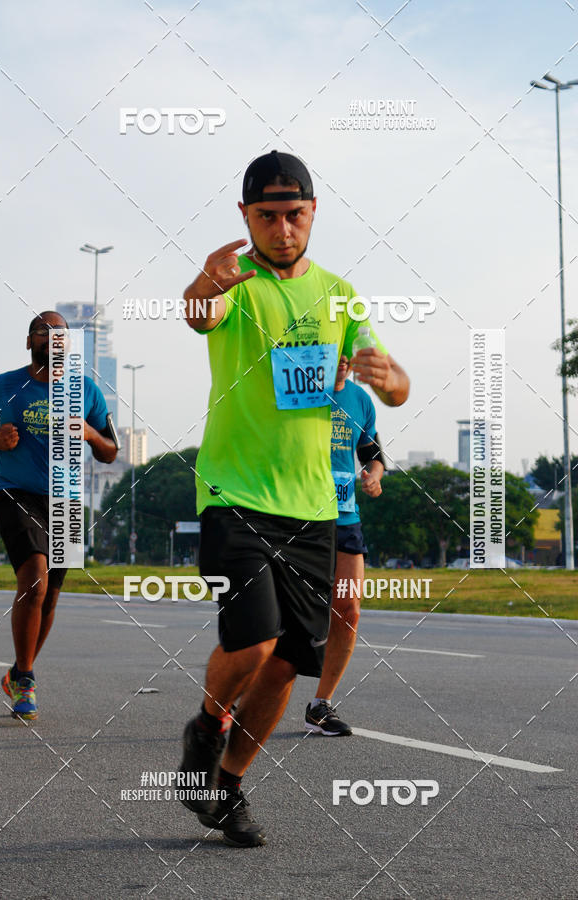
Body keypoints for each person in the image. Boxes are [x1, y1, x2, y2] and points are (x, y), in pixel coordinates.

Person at [179, 150, 410, 847]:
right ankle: (209, 724)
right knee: (253, 640)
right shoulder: (237, 283)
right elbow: (197, 313)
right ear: (246, 217)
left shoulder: (341, 294)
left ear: (313, 214)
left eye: (294, 214)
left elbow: (395, 386)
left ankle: (229, 786)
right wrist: (206, 280)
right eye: (268, 216)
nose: (282, 229)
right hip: (234, 492)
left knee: (288, 663)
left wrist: (388, 375)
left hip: (314, 505)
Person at [0, 311, 118, 720]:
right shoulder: (4, 385)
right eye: (44, 331)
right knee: (35, 581)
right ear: (29, 341)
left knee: (51, 594)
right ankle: (26, 680)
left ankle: (19, 671)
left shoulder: (86, 390)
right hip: (15, 492)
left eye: (61, 333)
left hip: (67, 501)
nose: (53, 338)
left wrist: (90, 433)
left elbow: (111, 451)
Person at [304, 354, 384, 736]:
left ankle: (321, 704)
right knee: (287, 614)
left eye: (348, 356)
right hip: (297, 513)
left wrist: (374, 477)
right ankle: (245, 691)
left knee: (348, 607)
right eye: (337, 353)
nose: (344, 361)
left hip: (345, 516)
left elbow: (373, 455)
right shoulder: (301, 392)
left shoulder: (360, 400)